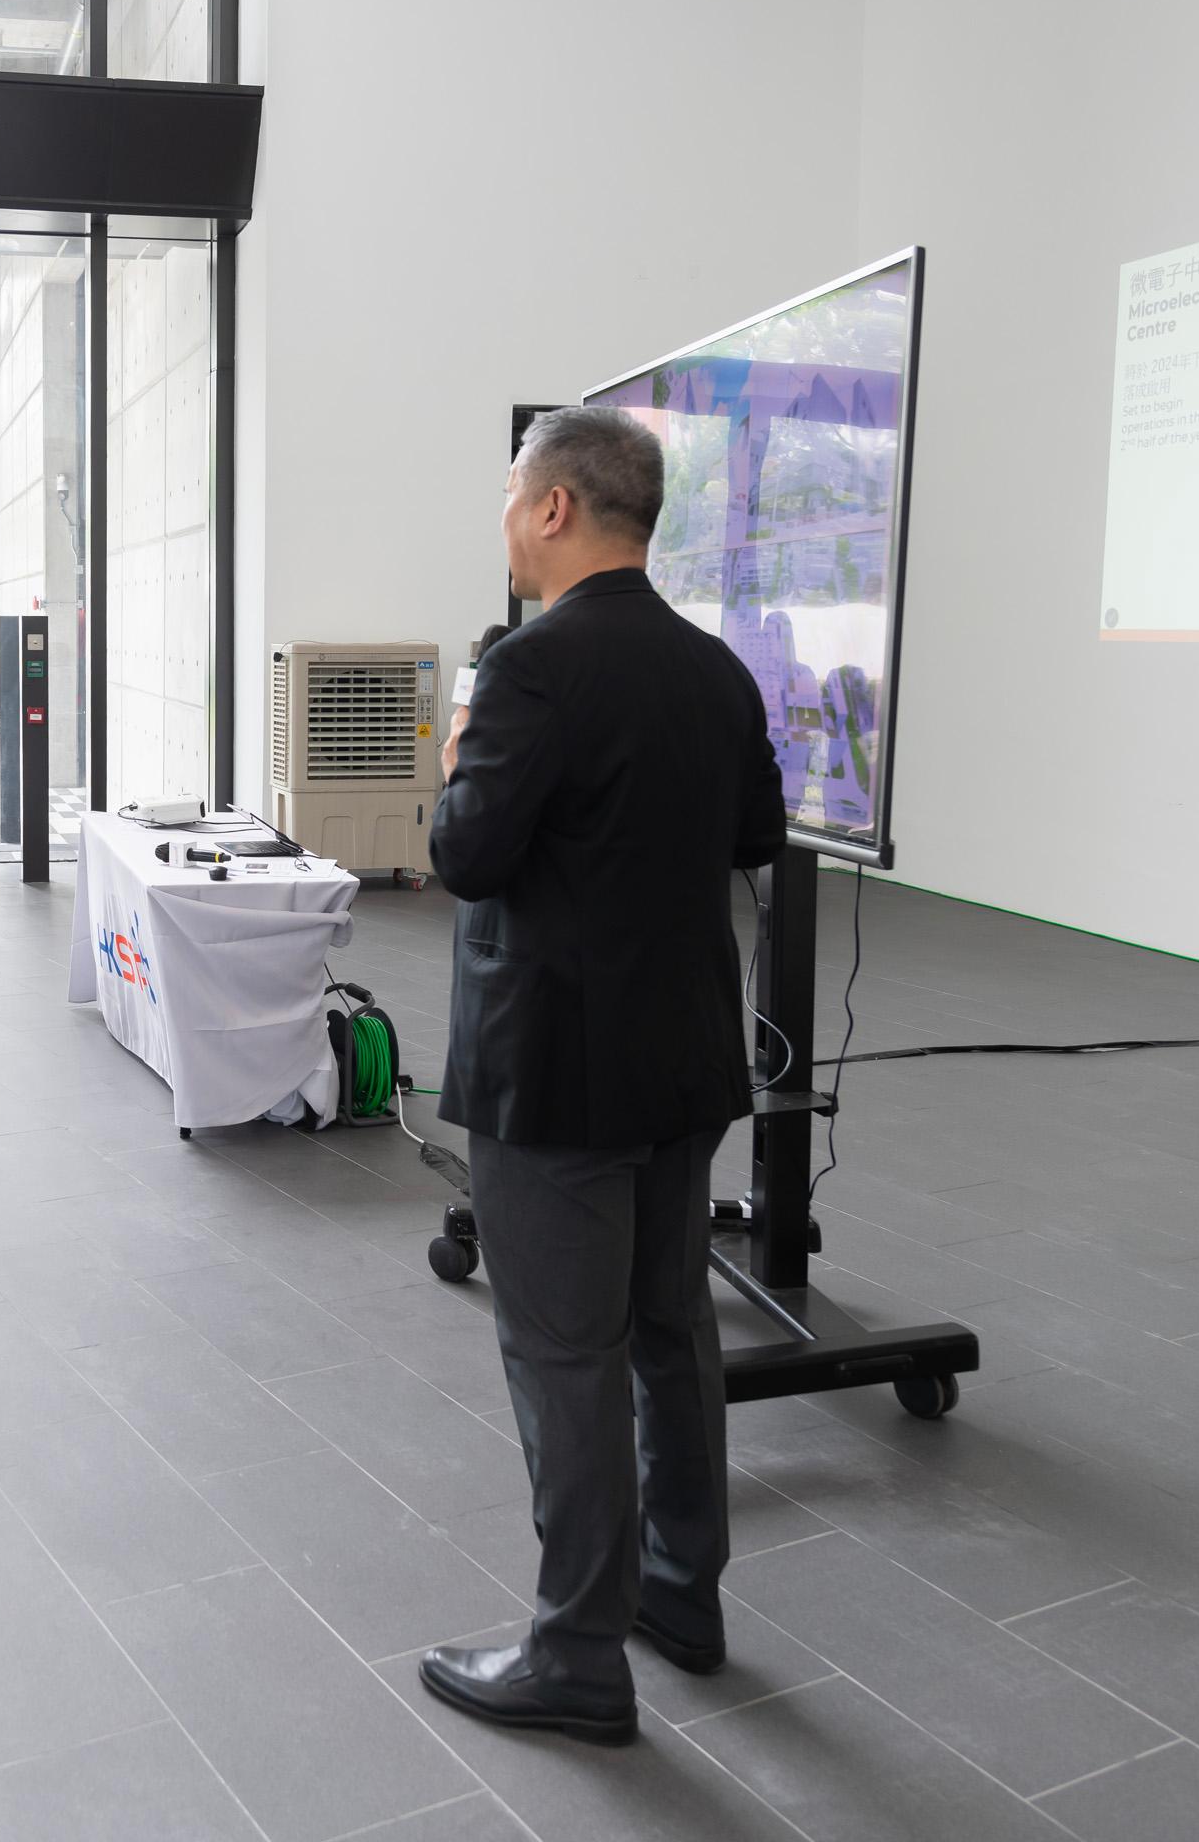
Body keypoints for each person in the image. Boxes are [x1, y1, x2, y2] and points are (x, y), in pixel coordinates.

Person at [416, 405, 786, 1747]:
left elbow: (467, 854)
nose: (508, 528)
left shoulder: (528, 668)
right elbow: (756, 832)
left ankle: (577, 1651)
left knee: (563, 1357)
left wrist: (458, 755)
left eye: (515, 502)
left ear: (558, 507)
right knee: (669, 1330)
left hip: (554, 1075)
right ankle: (683, 1596)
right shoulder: (717, 670)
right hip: (682, 1056)